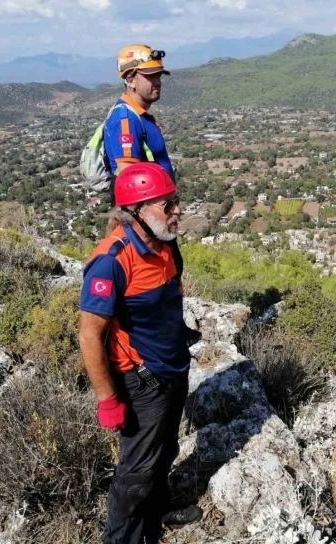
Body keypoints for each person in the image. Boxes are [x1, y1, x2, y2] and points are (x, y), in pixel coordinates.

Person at [78, 163, 202, 544]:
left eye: (176, 201)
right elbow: (89, 336)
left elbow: (165, 299)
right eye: (167, 205)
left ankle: (158, 512)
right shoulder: (112, 260)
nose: (177, 210)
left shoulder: (165, 244)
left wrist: (178, 334)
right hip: (142, 380)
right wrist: (107, 399)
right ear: (136, 212)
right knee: (135, 473)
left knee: (165, 450)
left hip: (173, 366)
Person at [103, 44, 183, 280]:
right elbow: (129, 178)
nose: (156, 81)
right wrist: (146, 223)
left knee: (170, 269)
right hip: (146, 218)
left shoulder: (140, 115)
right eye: (149, 76)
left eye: (158, 75)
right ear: (130, 79)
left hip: (155, 213)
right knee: (157, 274)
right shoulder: (126, 119)